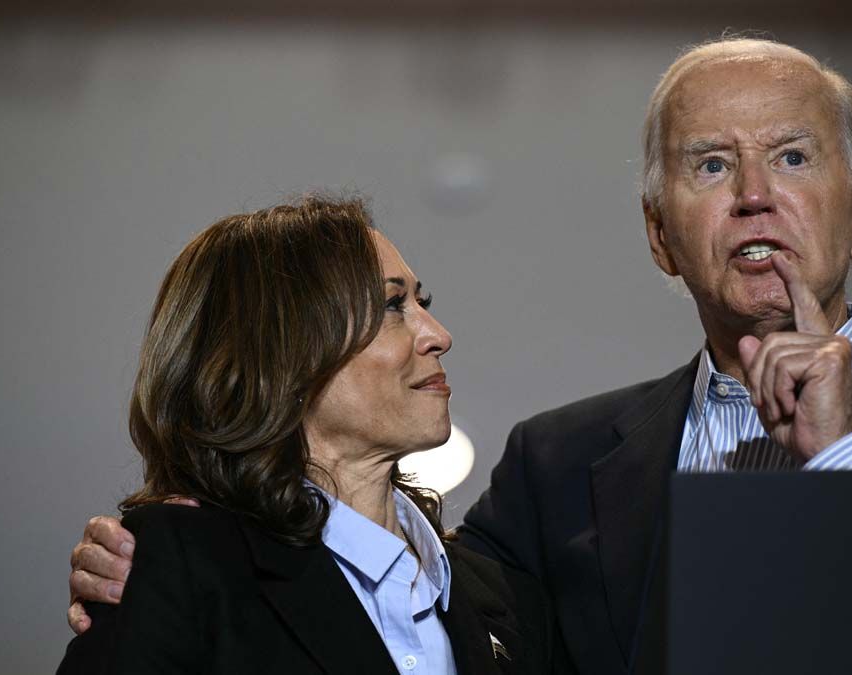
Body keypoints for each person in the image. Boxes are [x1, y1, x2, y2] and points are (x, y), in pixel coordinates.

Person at [66, 38, 852, 675]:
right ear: (659, 235)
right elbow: (356, 574)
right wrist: (173, 554)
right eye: (709, 166)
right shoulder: (554, 467)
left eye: (790, 156)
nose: (752, 195)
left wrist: (841, 467)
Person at [57, 197, 559, 674]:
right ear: (280, 355)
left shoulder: (507, 601)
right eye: (392, 305)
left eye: (420, 301)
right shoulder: (185, 566)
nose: (438, 334)